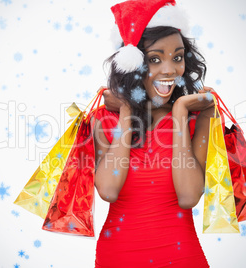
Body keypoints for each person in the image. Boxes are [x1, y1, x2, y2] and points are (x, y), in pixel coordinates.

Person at [92, 0, 216, 267]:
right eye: (155, 59)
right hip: (119, 255)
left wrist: (181, 112)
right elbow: (108, 190)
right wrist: (126, 109)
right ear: (133, 64)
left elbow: (188, 197)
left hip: (182, 256)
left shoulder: (199, 117)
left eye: (178, 57)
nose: (170, 69)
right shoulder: (104, 119)